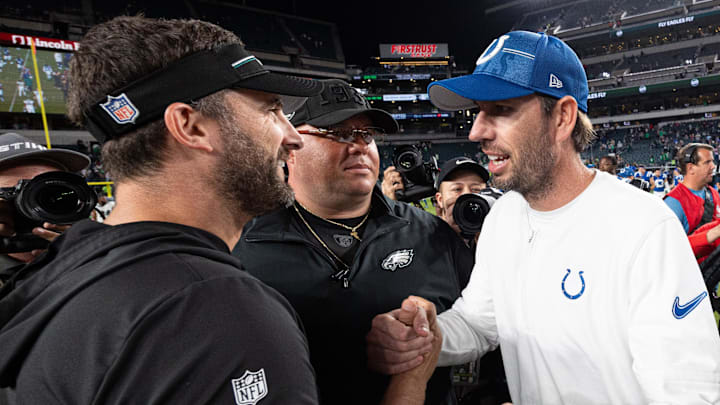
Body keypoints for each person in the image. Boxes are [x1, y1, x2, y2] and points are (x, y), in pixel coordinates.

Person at [0, 17, 440, 405]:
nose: (290, 136)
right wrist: (412, 378)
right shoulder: (214, 307)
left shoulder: (61, 270)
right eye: (270, 110)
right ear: (190, 127)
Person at [367, 30, 720, 403]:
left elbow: (689, 393)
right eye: (478, 112)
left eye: (501, 110)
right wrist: (424, 336)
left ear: (563, 117)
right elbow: (479, 324)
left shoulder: (643, 226)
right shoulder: (504, 219)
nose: (476, 131)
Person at [233, 78, 473, 405]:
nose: (359, 145)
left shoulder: (434, 234)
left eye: (367, 135)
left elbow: (482, 327)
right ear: (290, 147)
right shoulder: (240, 242)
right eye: (339, 133)